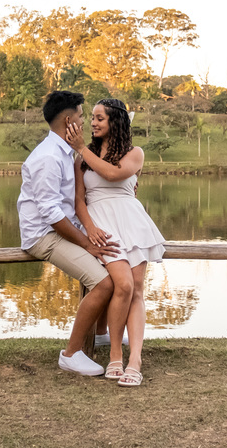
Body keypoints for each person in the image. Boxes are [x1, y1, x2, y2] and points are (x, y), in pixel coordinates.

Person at [18, 90, 120, 376]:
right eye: (81, 115)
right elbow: (50, 215)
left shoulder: (65, 152)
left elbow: (77, 195)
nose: (86, 121)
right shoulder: (49, 157)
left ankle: (100, 334)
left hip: (63, 230)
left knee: (113, 264)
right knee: (103, 283)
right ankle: (71, 353)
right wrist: (88, 244)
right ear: (68, 120)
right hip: (43, 237)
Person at [66, 98, 165, 388]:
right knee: (123, 284)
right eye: (93, 118)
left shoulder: (135, 153)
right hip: (101, 225)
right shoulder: (81, 159)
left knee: (136, 289)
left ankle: (135, 360)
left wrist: (81, 147)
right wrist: (90, 228)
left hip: (132, 222)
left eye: (100, 118)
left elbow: (112, 173)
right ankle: (115, 353)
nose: (93, 123)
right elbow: (79, 199)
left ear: (115, 122)